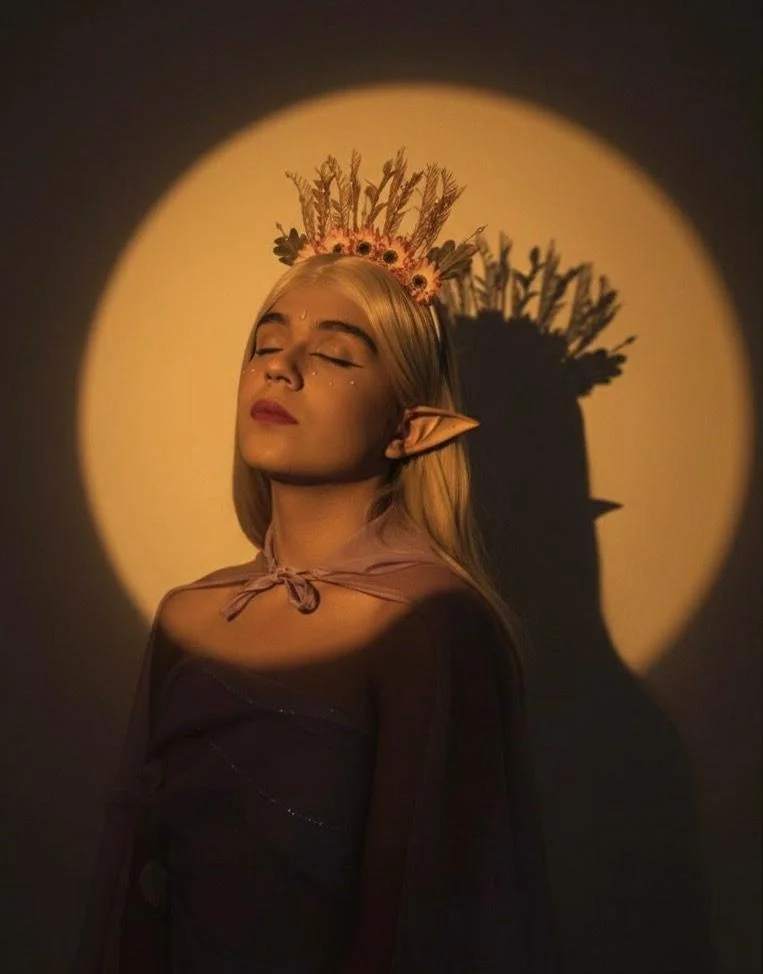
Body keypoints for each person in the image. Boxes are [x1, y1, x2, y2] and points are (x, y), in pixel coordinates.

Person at [73, 149, 561, 973]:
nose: (280, 366)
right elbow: (138, 901)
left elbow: (414, 921)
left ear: (412, 428)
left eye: (334, 356)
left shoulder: (428, 625)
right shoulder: (187, 616)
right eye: (266, 344)